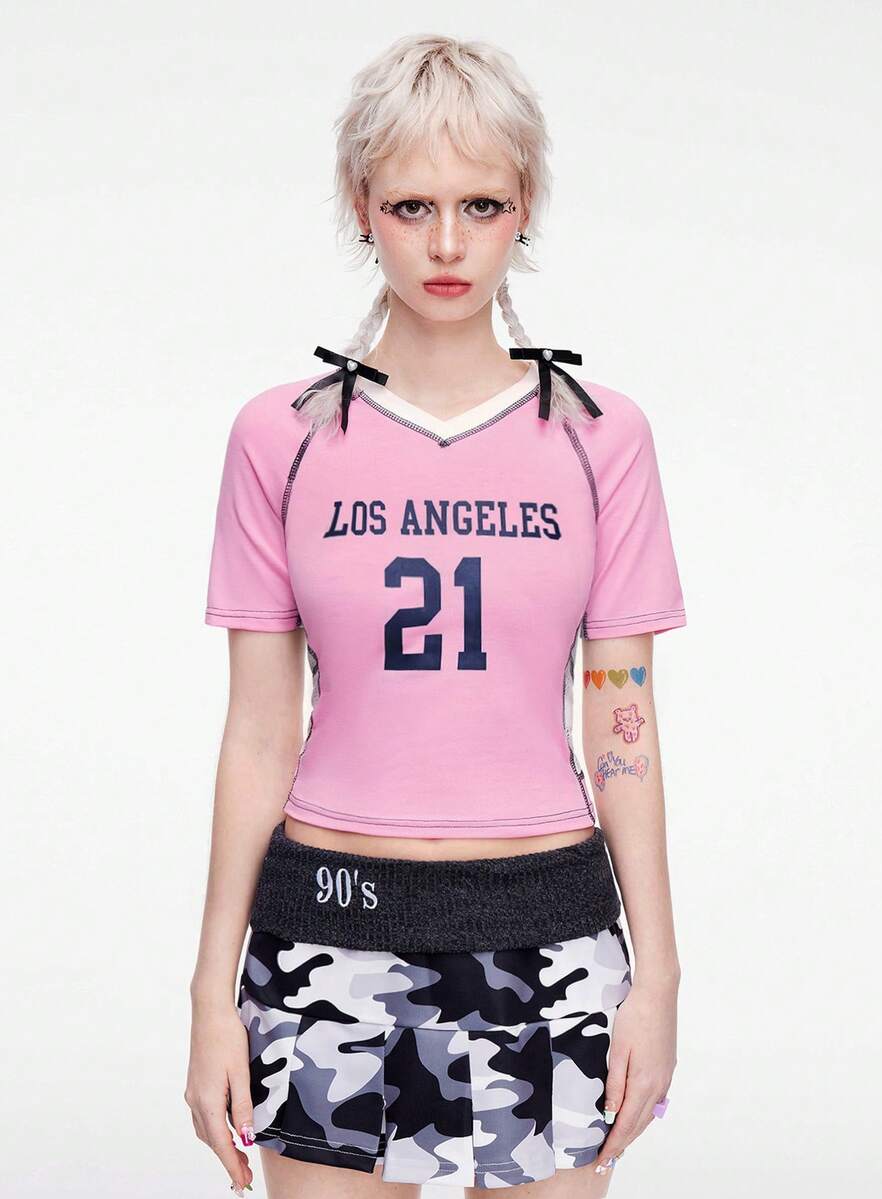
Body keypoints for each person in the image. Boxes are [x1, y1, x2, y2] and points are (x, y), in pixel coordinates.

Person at [185, 33, 686, 1199]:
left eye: (482, 204)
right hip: (327, 935)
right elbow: (258, 733)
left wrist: (658, 975)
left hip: (550, 937)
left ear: (526, 207)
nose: (448, 243)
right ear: (362, 205)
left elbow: (624, 726)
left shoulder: (600, 437)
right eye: (413, 205)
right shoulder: (283, 437)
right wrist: (211, 992)